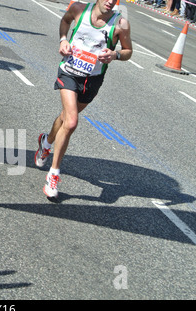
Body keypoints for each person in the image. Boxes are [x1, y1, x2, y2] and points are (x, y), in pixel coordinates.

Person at [35, 0, 133, 200]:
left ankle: (46, 141)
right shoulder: (79, 9)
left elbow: (128, 51)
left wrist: (114, 54)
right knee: (71, 122)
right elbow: (65, 21)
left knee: (65, 118)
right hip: (69, 72)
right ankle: (53, 174)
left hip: (93, 80)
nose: (110, 2)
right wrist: (63, 39)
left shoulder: (120, 24)